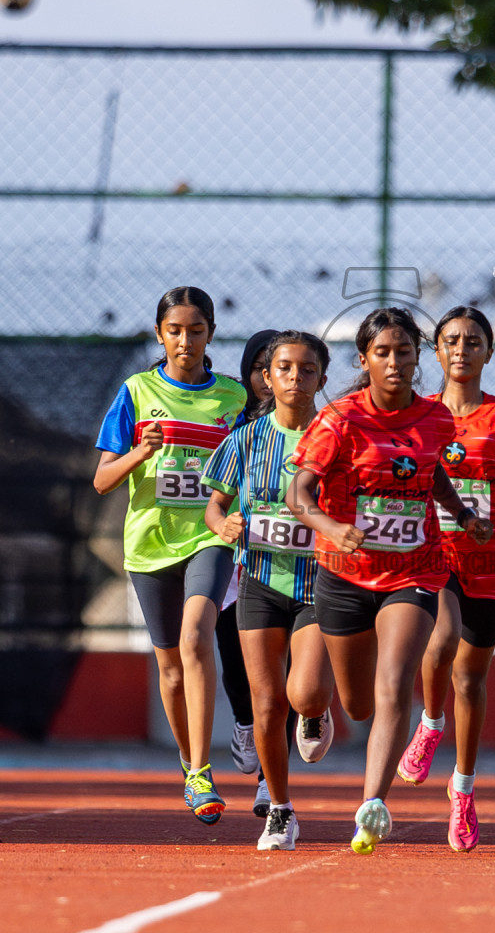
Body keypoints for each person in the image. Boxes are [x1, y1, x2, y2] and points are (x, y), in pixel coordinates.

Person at [286, 306, 488, 855]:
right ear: (364, 360)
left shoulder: (436, 418)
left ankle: (373, 802)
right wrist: (330, 525)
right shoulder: (340, 420)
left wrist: (462, 514)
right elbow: (298, 494)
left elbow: (434, 473)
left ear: (418, 358)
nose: (395, 362)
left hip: (414, 570)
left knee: (396, 680)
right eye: (383, 352)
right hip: (345, 572)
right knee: (356, 704)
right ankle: (320, 709)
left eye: (404, 352)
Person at [93, 286, 246, 823]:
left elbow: (259, 462)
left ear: (210, 334)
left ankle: (203, 772)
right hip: (150, 544)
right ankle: (190, 764)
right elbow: (102, 481)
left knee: (195, 639)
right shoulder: (135, 391)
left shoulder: (233, 397)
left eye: (196, 330)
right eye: (175, 330)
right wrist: (141, 451)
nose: (185, 341)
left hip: (210, 536)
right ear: (160, 334)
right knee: (171, 666)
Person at [397, 306, 495, 852]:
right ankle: (430, 722)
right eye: (451, 340)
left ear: (489, 352)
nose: (461, 349)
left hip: (492, 558)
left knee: (470, 680)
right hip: (435, 553)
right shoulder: (419, 414)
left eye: (473, 341)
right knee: (441, 637)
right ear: (436, 351)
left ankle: (463, 790)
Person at [204, 331, 337, 851]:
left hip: (318, 582)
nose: (295, 378)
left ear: (321, 379)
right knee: (265, 705)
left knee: (301, 692)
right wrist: (223, 525)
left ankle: (316, 706)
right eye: (285, 368)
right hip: (260, 580)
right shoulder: (245, 439)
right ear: (267, 377)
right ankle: (279, 809)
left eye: (307, 370)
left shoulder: (335, 438)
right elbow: (215, 504)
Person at [216, 328, 279, 791]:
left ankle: (268, 778)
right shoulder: (233, 424)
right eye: (259, 367)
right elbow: (212, 491)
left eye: (274, 367)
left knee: (290, 670)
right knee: (235, 660)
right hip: (235, 561)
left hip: (292, 565)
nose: (267, 377)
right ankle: (243, 721)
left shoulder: (314, 428)